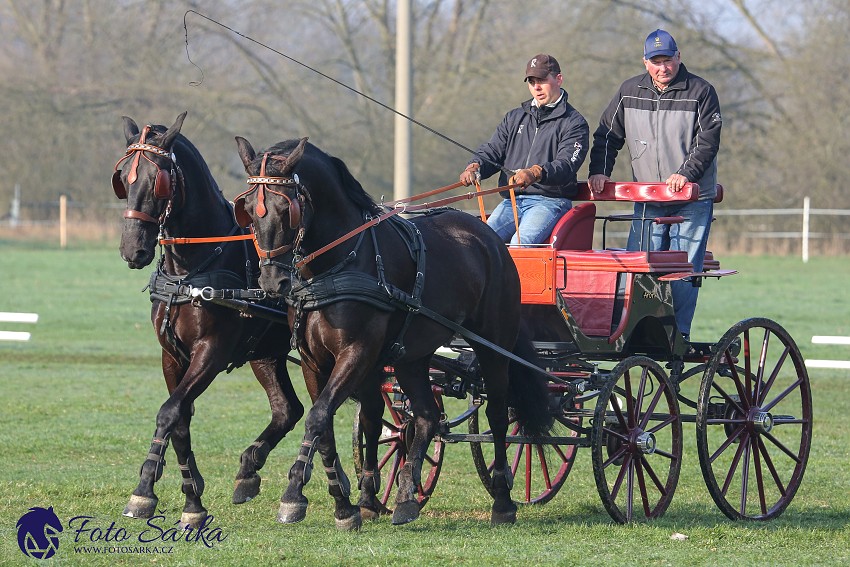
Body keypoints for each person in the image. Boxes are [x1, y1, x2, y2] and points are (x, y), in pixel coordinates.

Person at [587, 29, 722, 339]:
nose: (663, 67)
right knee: (640, 268)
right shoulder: (628, 91)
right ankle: (638, 332)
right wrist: (599, 171)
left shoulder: (701, 92)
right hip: (648, 197)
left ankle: (677, 336)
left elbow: (707, 142)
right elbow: (607, 134)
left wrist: (685, 174)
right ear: (645, 62)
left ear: (679, 57)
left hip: (692, 198)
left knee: (683, 270)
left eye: (668, 60)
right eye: (656, 61)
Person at [459, 53, 589, 245]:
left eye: (542, 80)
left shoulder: (575, 123)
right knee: (479, 243)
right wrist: (475, 165)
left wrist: (536, 172)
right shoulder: (514, 118)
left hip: (550, 202)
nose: (536, 87)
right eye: (531, 82)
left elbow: (566, 164)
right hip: (511, 201)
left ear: (559, 79)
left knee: (520, 244)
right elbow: (493, 150)